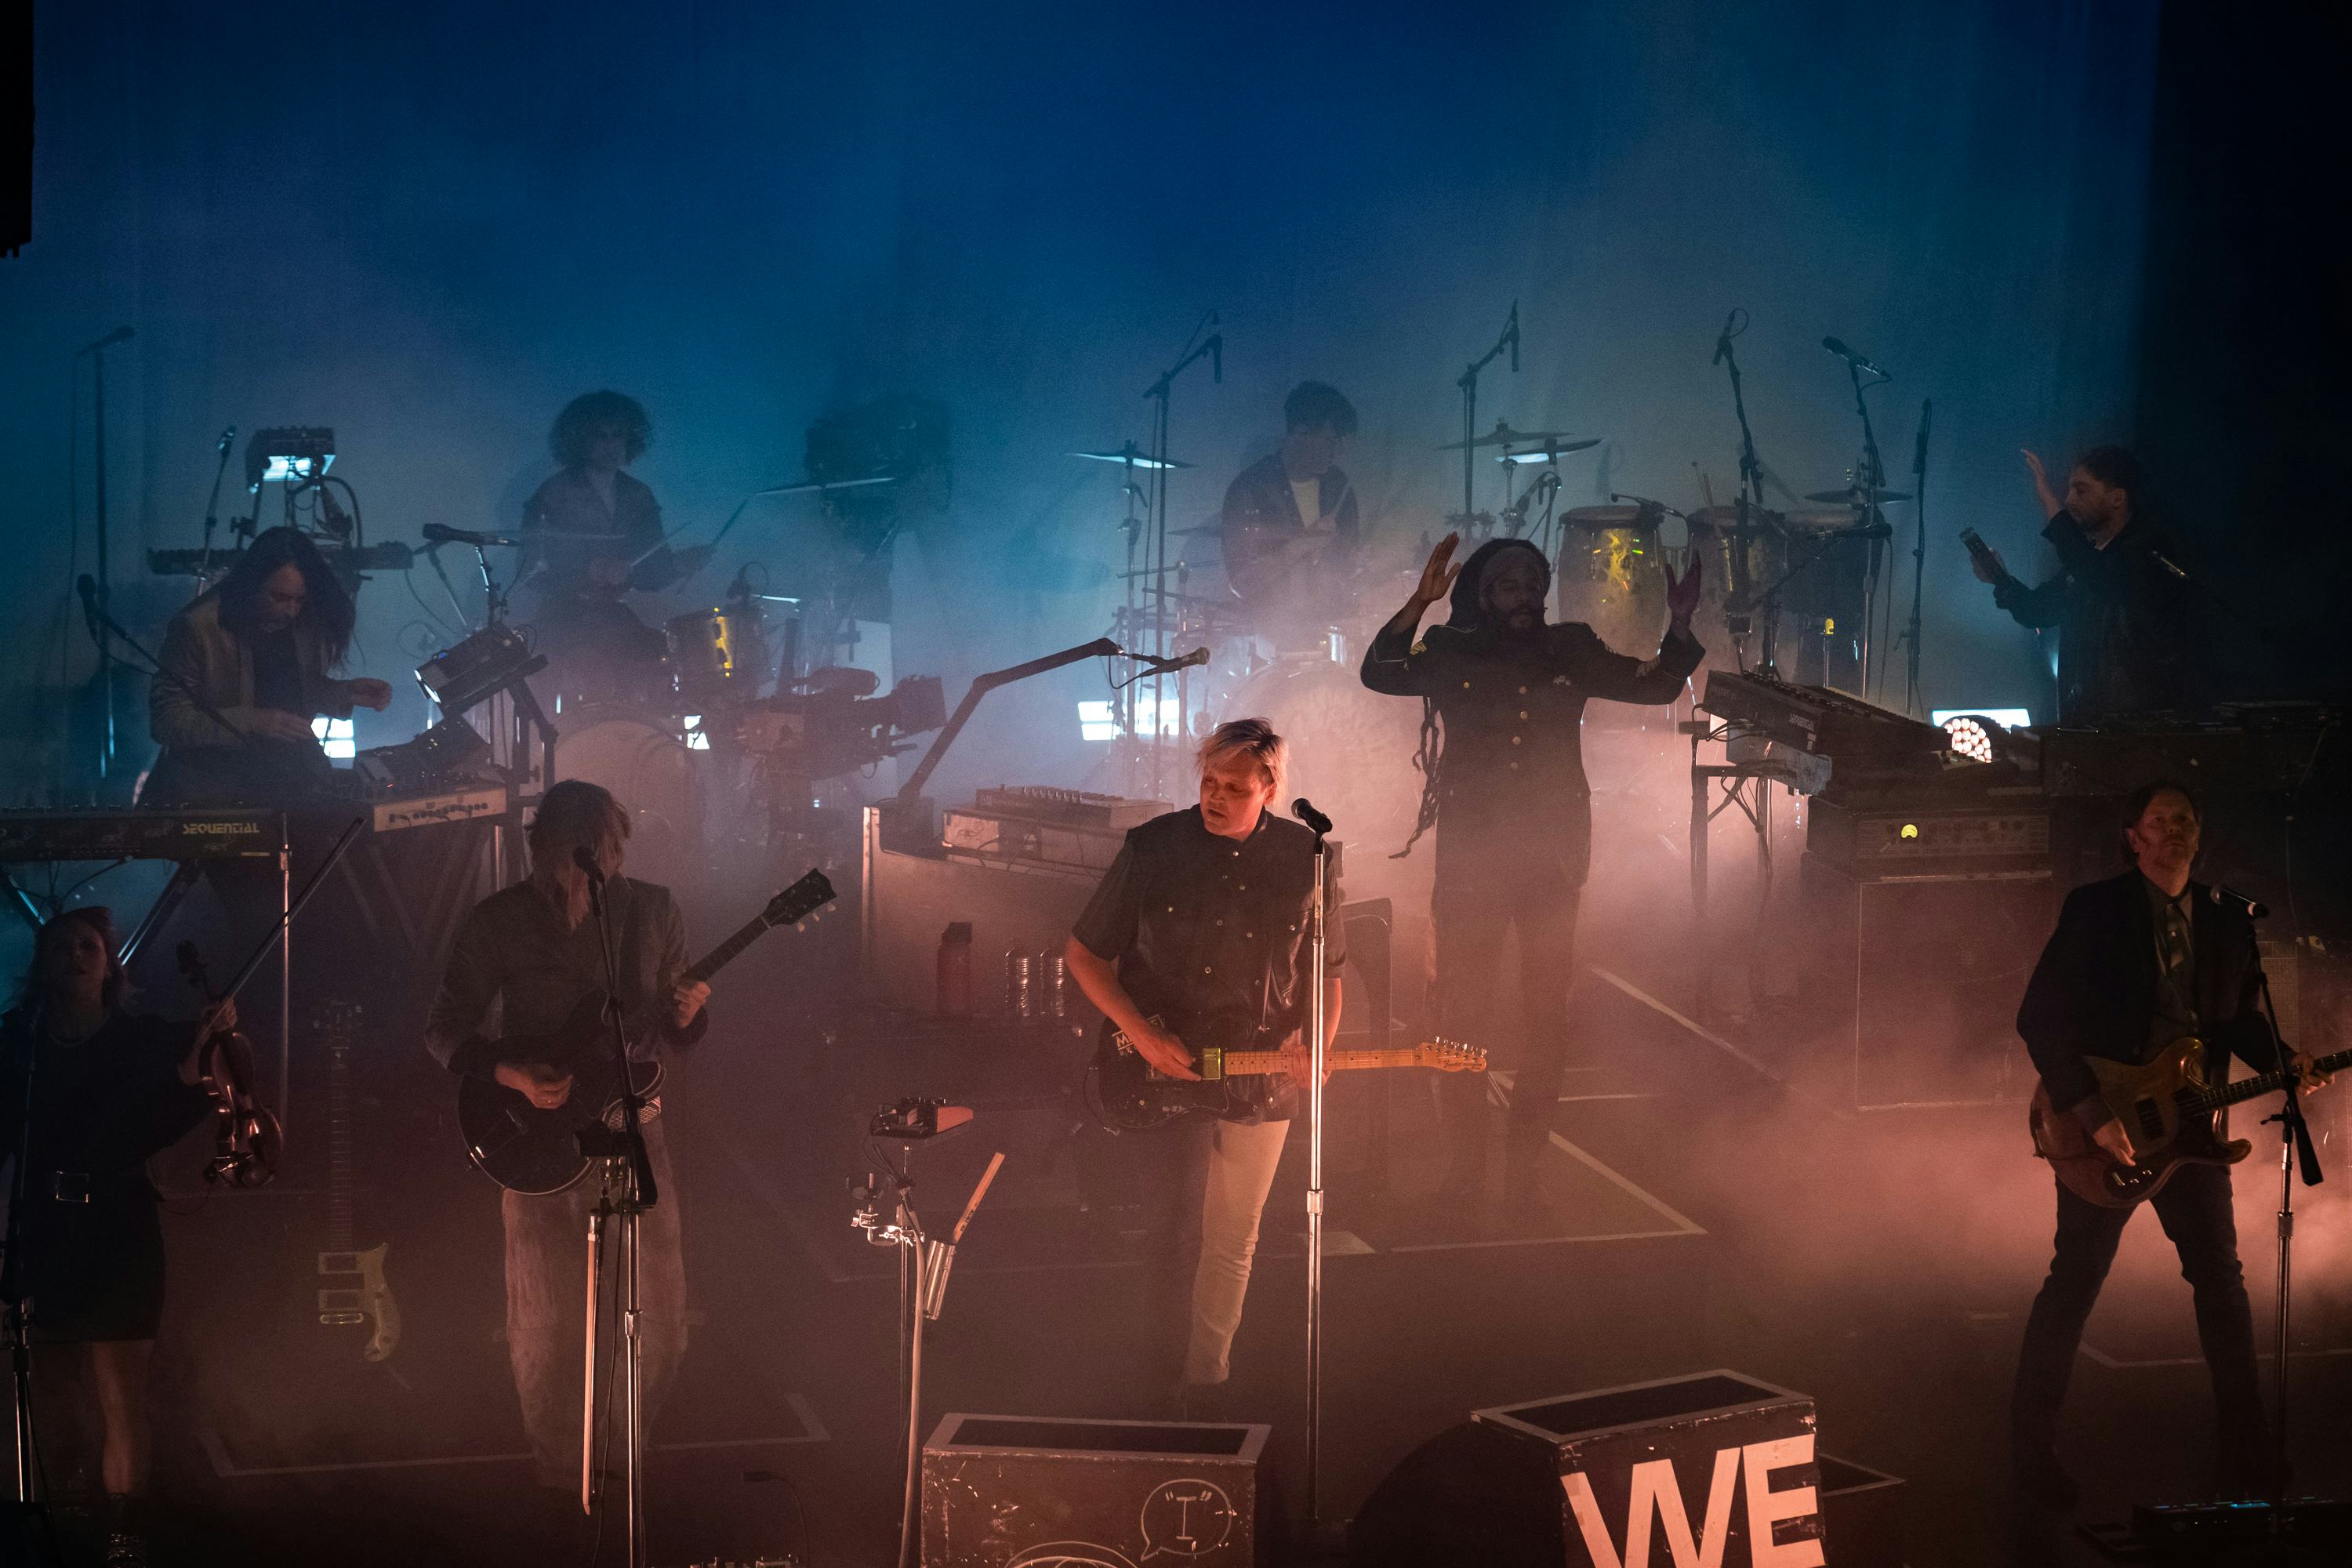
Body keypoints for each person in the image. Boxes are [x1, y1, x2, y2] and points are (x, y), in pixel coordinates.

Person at [2009, 781, 2328, 1508]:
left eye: (2187, 818)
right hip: (2108, 1128)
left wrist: (2283, 1059)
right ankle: (2030, 1453)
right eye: (2162, 820)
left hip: (2193, 1132)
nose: (2177, 830)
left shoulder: (2223, 918)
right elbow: (2039, 1016)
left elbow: (2234, 1018)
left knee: (2222, 1282)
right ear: (2134, 836)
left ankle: (2249, 1453)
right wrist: (2092, 1113)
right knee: (2075, 1282)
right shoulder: (2096, 909)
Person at [1360, 534, 1702, 1212]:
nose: (1525, 595)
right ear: (1482, 595)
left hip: (1551, 859)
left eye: (1533, 582)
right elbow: (1380, 671)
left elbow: (1660, 686)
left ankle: (1524, 1181)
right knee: (1464, 1020)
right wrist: (1419, 603)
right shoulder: (1451, 651)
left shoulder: (1570, 647)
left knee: (1547, 1021)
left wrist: (1681, 628)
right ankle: (1463, 1177)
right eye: (1510, 584)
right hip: (1473, 863)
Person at [422, 781, 710, 1503]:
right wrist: (509, 1072)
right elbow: (442, 1028)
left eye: (603, 851)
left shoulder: (652, 911)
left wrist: (691, 1013)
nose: (586, 870)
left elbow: (675, 1037)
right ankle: (560, 1490)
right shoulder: (501, 921)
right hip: (539, 1151)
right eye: (571, 854)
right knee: (547, 1333)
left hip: (636, 1137)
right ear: (538, 850)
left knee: (663, 1329)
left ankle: (628, 1478)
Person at [1063, 719, 1341, 1413]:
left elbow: (1328, 971)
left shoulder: (1309, 856)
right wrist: (1144, 1036)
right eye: (1208, 783)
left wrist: (1317, 1039)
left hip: (1261, 1073)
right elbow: (1084, 955)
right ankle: (1145, 1378)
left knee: (1233, 1238)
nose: (1215, 798)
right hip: (1162, 1070)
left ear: (1271, 789)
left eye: (1235, 787)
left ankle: (1207, 1383)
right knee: (1165, 1228)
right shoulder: (1153, 848)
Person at [0, 907, 230, 1567]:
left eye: (89, 946)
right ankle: (65, 1507)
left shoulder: (140, 1039)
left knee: (122, 1394)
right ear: (42, 962)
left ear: (108, 962)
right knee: (47, 1390)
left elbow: (167, 1102)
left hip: (119, 1230)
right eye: (62, 945)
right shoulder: (20, 1039)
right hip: (44, 1231)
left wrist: (210, 1047)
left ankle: (126, 1532)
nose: (75, 955)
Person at [145, 526, 393, 804]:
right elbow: (166, 721)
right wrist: (252, 721)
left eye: (299, 600)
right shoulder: (198, 627)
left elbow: (290, 691)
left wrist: (342, 693)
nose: (291, 610)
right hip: (213, 791)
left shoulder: (302, 622)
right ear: (252, 584)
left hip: (292, 781)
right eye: (280, 597)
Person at [1969, 445, 2202, 723]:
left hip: (2133, 724)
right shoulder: (2086, 561)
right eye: (2068, 491)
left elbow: (2103, 580)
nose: (2069, 500)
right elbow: (2038, 611)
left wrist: (2049, 502)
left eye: (2081, 491)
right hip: (2082, 720)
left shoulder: (2147, 552)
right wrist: (1998, 576)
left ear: (2117, 498)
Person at [518, 391, 713, 706]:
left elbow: (652, 572)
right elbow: (530, 572)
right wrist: (588, 570)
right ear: (580, 440)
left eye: (618, 436)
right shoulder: (553, 494)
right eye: (600, 436)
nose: (611, 445)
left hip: (613, 619)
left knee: (663, 663)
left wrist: (679, 565)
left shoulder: (637, 494)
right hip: (563, 622)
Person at [1220, 381, 1362, 630]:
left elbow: (1349, 564)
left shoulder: (1338, 485)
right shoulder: (1250, 489)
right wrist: (1299, 547)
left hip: (1333, 633)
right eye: (1330, 440)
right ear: (1301, 433)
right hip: (1272, 637)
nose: (1337, 450)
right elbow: (1242, 583)